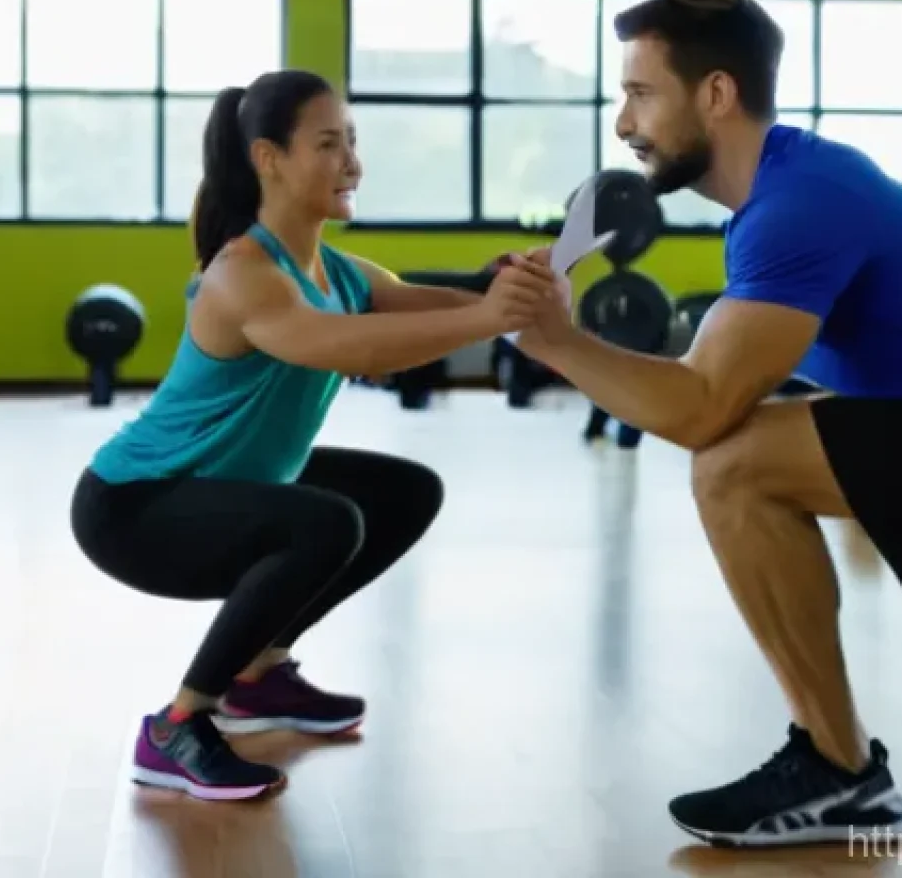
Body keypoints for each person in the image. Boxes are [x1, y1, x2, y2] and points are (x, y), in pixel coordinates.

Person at [515, 0, 902, 848]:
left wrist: (557, 342)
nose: (624, 125)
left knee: (734, 463)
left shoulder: (797, 207)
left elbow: (704, 409)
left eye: (639, 93)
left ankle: (839, 772)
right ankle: (841, 772)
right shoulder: (786, 194)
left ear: (715, 94)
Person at [69, 69, 556, 802]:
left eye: (352, 141)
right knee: (327, 522)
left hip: (221, 488)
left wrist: (513, 286)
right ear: (270, 158)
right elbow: (350, 346)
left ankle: (258, 677)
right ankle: (176, 724)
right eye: (330, 143)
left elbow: (439, 298)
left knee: (403, 492)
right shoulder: (244, 273)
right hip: (136, 508)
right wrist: (490, 320)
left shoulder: (336, 268)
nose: (353, 162)